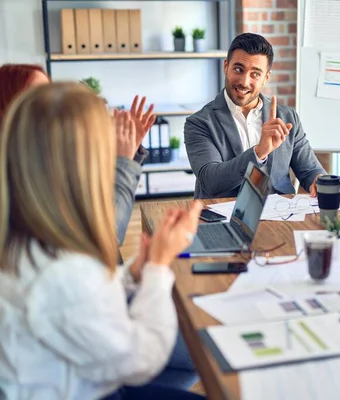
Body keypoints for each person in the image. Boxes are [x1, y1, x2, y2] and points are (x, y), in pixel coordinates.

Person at [0, 82, 205, 400]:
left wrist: (135, 272)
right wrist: (159, 267)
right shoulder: (62, 271)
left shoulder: (26, 235)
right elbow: (141, 359)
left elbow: (85, 295)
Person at [0, 63, 156, 246]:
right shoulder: (21, 178)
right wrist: (123, 163)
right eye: (40, 96)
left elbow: (99, 207)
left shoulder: (47, 158)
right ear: (11, 107)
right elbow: (104, 237)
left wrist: (128, 155)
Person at [184, 33, 326, 199]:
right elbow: (211, 181)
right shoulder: (199, 123)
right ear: (225, 67)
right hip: (224, 215)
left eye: (255, 74)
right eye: (238, 69)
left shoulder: (287, 117)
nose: (244, 82)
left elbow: (309, 170)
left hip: (278, 214)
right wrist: (258, 153)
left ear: (266, 78)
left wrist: (319, 179)